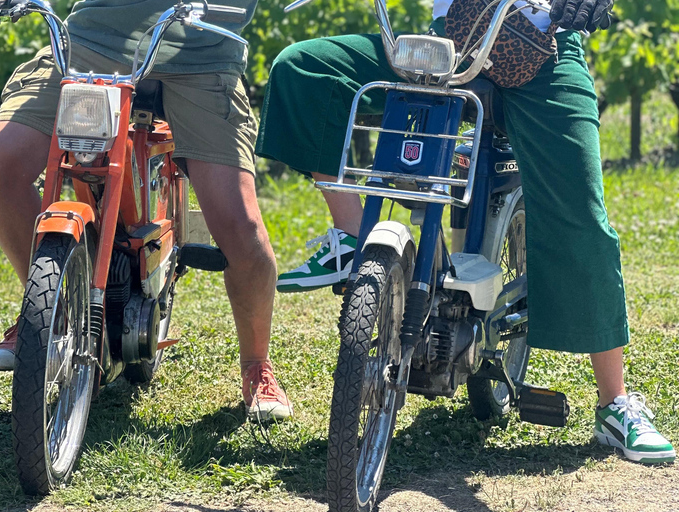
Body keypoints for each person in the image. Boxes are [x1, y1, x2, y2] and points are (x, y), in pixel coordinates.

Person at [255, 0, 675, 461]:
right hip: (451, 45)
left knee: (580, 212)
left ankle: (614, 404)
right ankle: (353, 233)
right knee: (304, 69)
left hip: (543, 49)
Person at [0, 0, 292, 422]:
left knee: (241, 227)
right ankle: (56, 316)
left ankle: (256, 366)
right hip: (91, 45)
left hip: (201, 60)